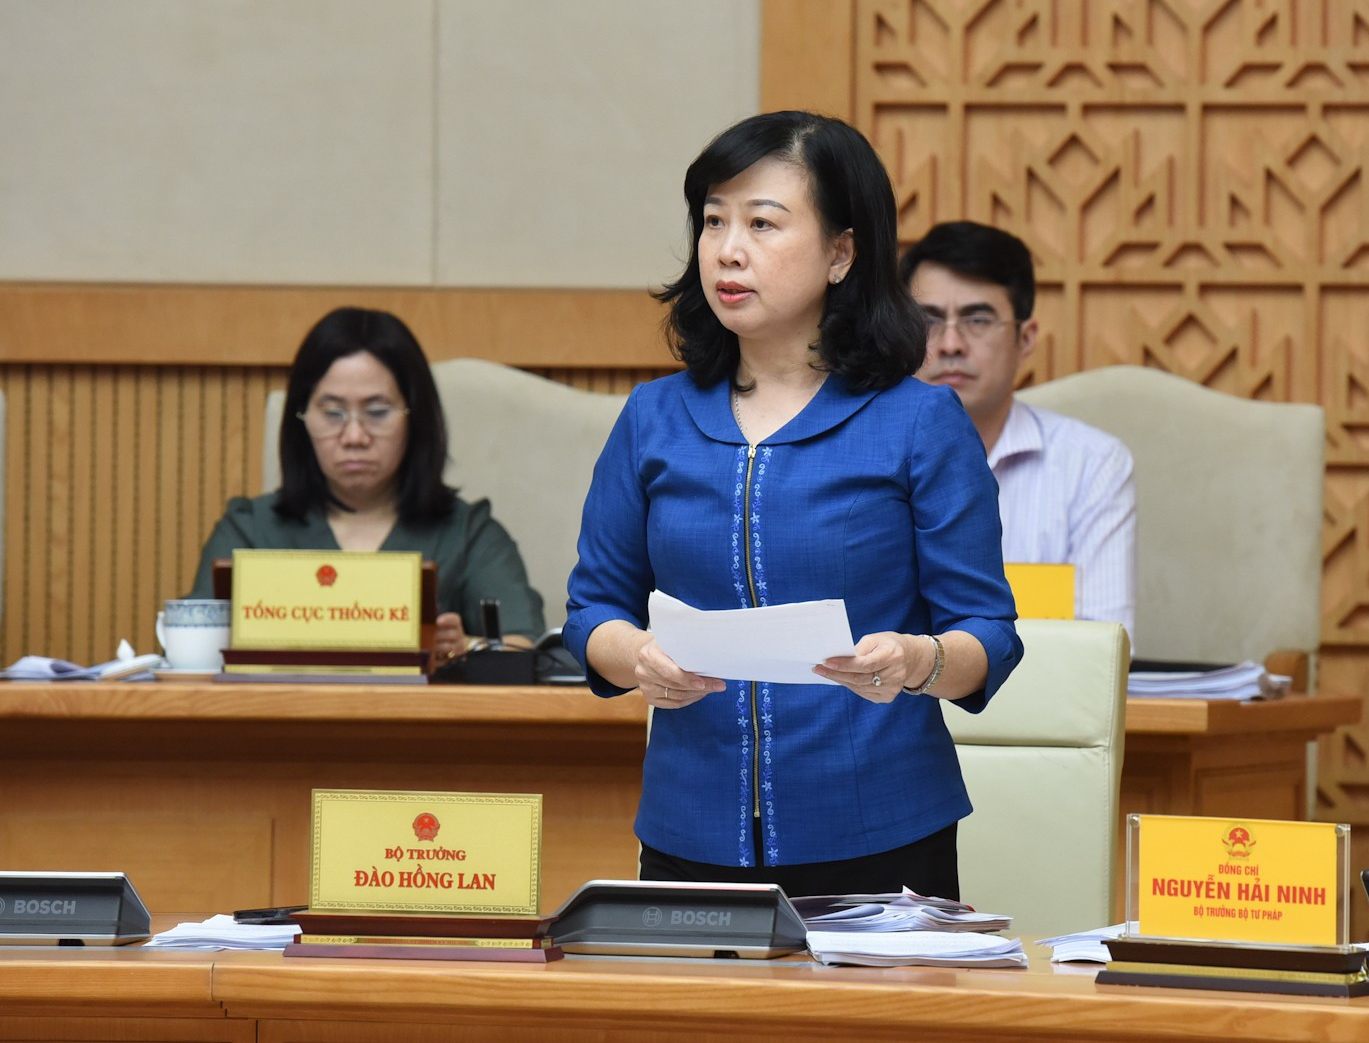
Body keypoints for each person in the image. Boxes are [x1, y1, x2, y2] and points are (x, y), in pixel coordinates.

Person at [562, 111, 1022, 899]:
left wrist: (916, 662)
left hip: (881, 835)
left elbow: (987, 631)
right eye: (713, 222)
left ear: (842, 252)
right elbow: (589, 610)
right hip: (688, 830)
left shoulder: (918, 422)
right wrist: (634, 656)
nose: (727, 249)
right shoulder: (653, 418)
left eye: (762, 223)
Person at [190, 307, 545, 662]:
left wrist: (466, 648)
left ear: (414, 417)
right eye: (333, 413)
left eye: (376, 412)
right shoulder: (250, 532)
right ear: (302, 419)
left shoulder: (467, 534)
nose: (355, 436)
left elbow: (527, 647)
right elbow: (190, 651)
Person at [900, 221, 1136, 636]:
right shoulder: (855, 454)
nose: (950, 344)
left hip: (1046, 700)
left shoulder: (1090, 463)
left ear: (1025, 339)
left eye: (977, 319)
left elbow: (1105, 645)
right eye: (929, 320)